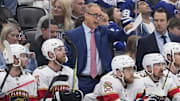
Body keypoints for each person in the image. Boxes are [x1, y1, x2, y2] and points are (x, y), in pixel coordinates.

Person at [66, 3, 134, 95]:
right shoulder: (73, 35)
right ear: (86, 15)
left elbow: (117, 36)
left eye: (99, 16)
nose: (97, 19)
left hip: (102, 78)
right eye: (95, 15)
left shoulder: (103, 31)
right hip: (82, 79)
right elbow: (68, 59)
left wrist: (125, 30)